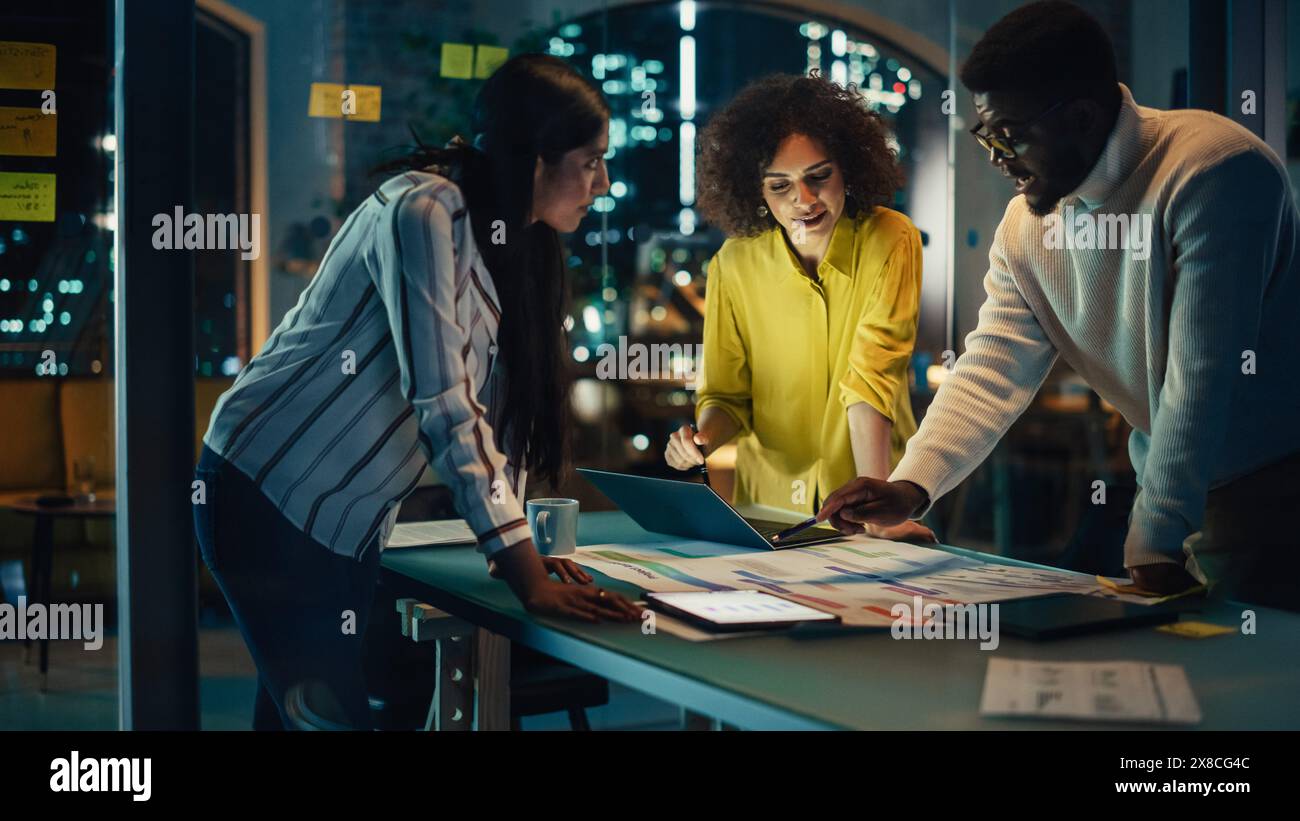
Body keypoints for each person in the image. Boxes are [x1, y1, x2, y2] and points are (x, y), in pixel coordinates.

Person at [194, 54, 641, 730]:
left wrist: (525, 547)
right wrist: (522, 571)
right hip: (266, 493)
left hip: (347, 523)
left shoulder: (520, 245)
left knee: (299, 714)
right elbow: (444, 403)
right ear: (535, 158)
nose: (601, 184)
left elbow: (501, 417)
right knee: (328, 713)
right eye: (590, 161)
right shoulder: (423, 209)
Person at [818, 1, 1300, 609]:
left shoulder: (1214, 170)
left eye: (1009, 134)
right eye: (983, 134)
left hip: (1273, 484)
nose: (995, 156)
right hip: (1170, 478)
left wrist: (1153, 540)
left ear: (1080, 115)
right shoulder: (1027, 224)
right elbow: (991, 368)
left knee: (1252, 683)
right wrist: (912, 484)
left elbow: (1201, 377)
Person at [664, 72, 934, 542]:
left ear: (848, 166)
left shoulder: (891, 238)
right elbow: (727, 395)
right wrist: (701, 440)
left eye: (818, 177)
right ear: (757, 193)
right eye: (779, 186)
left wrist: (878, 513)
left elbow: (872, 378)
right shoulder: (733, 262)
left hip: (870, 501)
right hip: (769, 509)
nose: (803, 201)